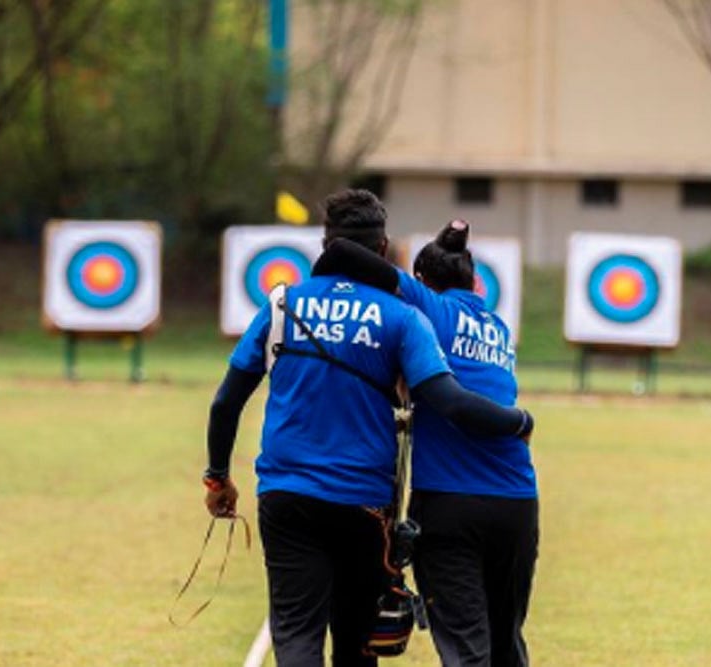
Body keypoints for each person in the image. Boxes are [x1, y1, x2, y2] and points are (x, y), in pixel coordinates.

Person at [203, 190, 535, 667]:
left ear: (325, 243)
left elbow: (226, 402)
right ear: (383, 250)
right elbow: (445, 398)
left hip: (286, 495)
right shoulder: (404, 317)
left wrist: (218, 476)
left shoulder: (282, 304)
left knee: (296, 634)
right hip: (365, 506)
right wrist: (519, 422)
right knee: (358, 643)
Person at [315, 220, 539, 667]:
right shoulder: (497, 327)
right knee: (506, 645)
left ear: (421, 282)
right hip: (517, 502)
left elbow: (344, 251)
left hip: (449, 503)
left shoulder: (430, 309)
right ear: (477, 283)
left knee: (465, 649)